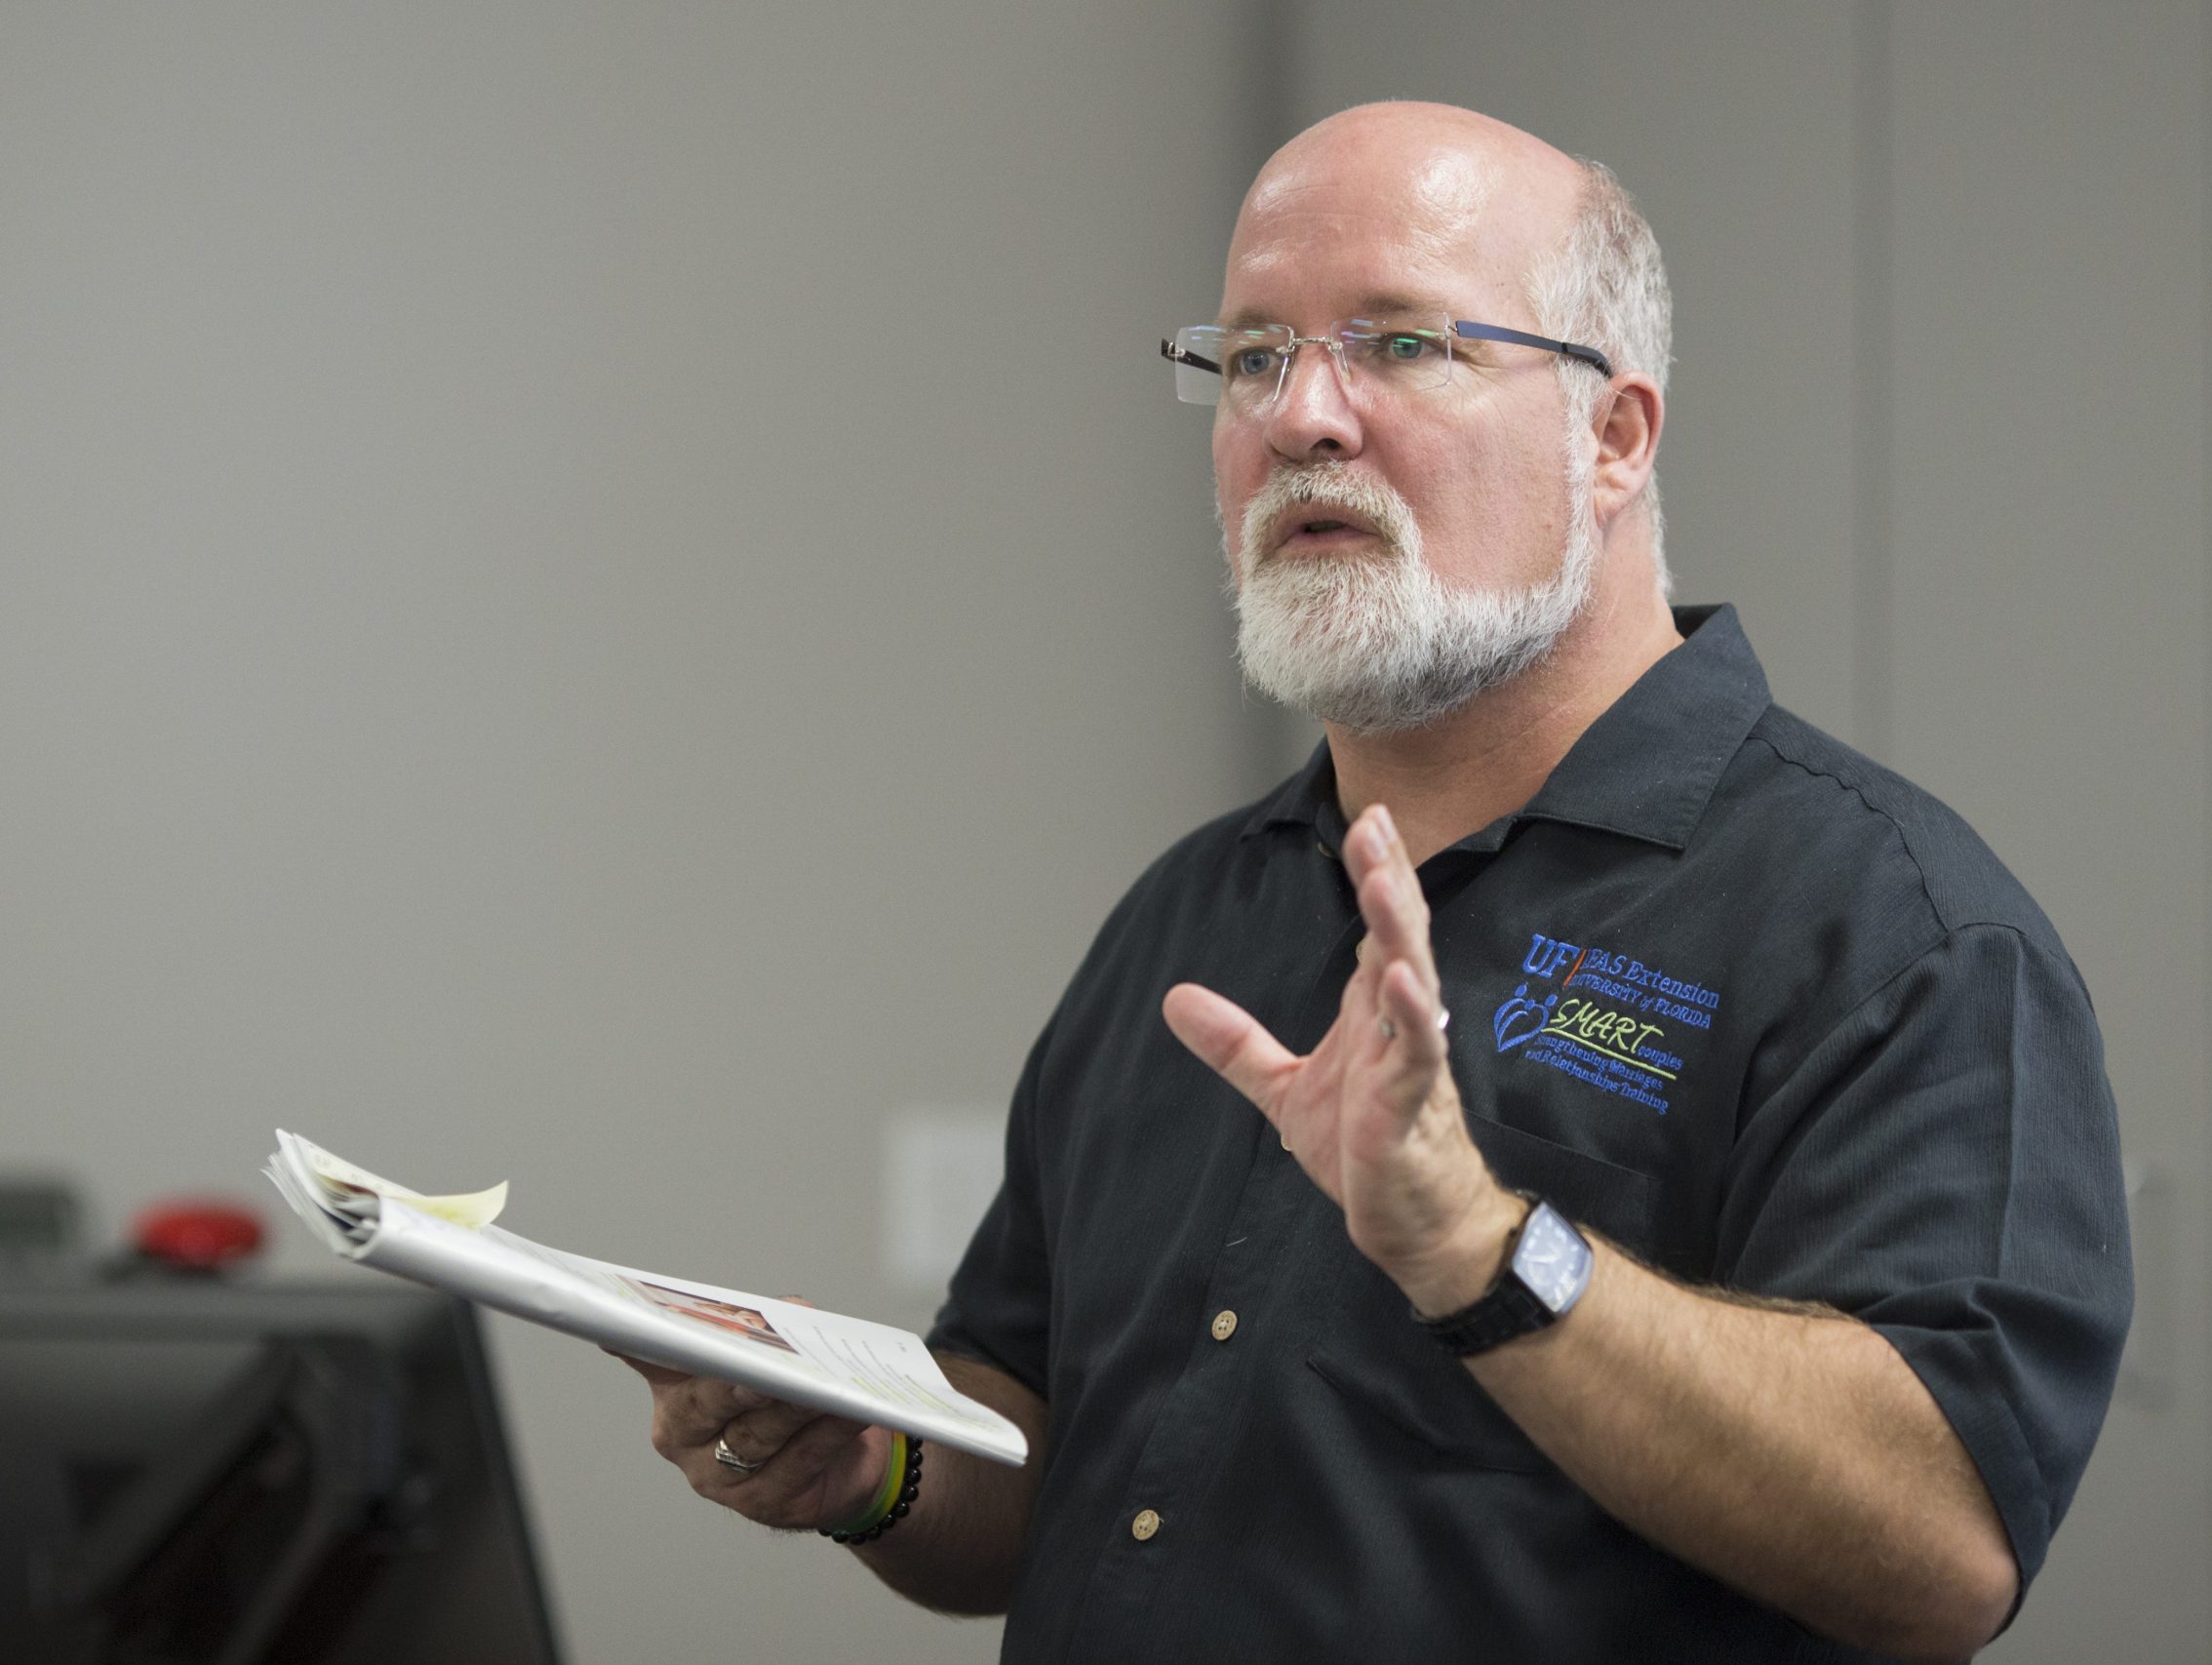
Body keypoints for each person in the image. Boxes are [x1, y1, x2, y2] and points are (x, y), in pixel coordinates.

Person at [621, 101, 2131, 1662]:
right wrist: (875, 1465)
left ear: (1611, 438)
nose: (1302, 417)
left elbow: (1943, 1551)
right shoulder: (1195, 911)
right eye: (1255, 355)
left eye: (1401, 345)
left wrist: (1481, 1249)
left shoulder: (1892, 931)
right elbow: (1041, 1443)